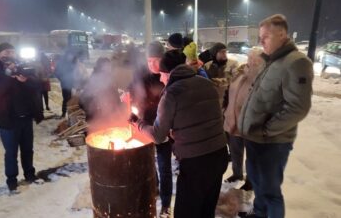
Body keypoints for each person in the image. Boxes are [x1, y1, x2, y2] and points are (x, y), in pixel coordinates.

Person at [130, 50, 228, 218]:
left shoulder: (171, 94)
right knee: (206, 209)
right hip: (219, 155)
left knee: (186, 212)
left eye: (161, 74)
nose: (160, 79)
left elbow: (158, 136)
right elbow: (205, 117)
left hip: (195, 164)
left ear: (168, 73)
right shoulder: (206, 83)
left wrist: (137, 122)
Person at [238, 14, 313, 218]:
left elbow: (298, 107)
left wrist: (266, 130)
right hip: (255, 138)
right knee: (258, 185)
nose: (261, 41)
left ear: (282, 34)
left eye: (266, 36)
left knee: (270, 192)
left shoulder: (296, 62)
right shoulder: (271, 61)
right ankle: (259, 213)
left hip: (273, 142)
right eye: (260, 37)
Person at [0, 43, 44, 191]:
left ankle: (30, 174)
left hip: (25, 117)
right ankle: (12, 180)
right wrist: (10, 77)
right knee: (11, 153)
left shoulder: (22, 66)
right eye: (7, 51)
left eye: (12, 51)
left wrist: (25, 80)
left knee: (27, 149)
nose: (10, 54)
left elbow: (37, 85)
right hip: (8, 119)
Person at [128, 41, 173, 216]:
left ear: (162, 59)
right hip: (144, 126)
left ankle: (166, 203)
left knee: (164, 167)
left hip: (164, 128)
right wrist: (127, 92)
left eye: (155, 60)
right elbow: (132, 87)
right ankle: (153, 188)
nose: (152, 65)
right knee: (147, 163)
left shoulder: (168, 75)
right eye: (149, 61)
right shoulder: (140, 73)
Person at [223, 48, 264, 190]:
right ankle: (237, 174)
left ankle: (251, 181)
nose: (251, 61)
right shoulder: (240, 74)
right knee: (235, 152)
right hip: (233, 121)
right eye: (250, 58)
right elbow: (229, 92)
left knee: (252, 156)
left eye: (255, 59)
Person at [55, 50, 78, 118]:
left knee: (71, 99)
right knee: (66, 99)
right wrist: (62, 79)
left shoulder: (72, 62)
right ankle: (64, 113)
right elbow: (56, 72)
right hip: (65, 84)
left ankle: (70, 113)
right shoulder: (61, 63)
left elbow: (75, 72)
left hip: (71, 83)